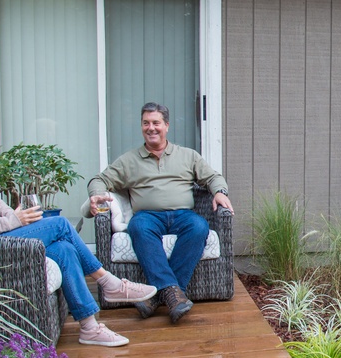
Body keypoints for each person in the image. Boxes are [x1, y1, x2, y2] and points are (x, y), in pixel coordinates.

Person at [0, 111, 156, 348]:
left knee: (64, 248)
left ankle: (89, 327)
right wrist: (12, 222)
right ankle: (109, 282)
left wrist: (12, 215)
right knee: (59, 224)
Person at [87, 102, 234, 324]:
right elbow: (99, 180)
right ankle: (174, 293)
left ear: (166, 125)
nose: (151, 128)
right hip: (148, 216)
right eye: (146, 123)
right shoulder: (129, 160)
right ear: (141, 126)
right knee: (138, 226)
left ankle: (157, 295)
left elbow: (212, 177)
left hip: (182, 215)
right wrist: (97, 194)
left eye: (156, 123)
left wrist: (220, 192)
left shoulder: (187, 156)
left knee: (199, 226)